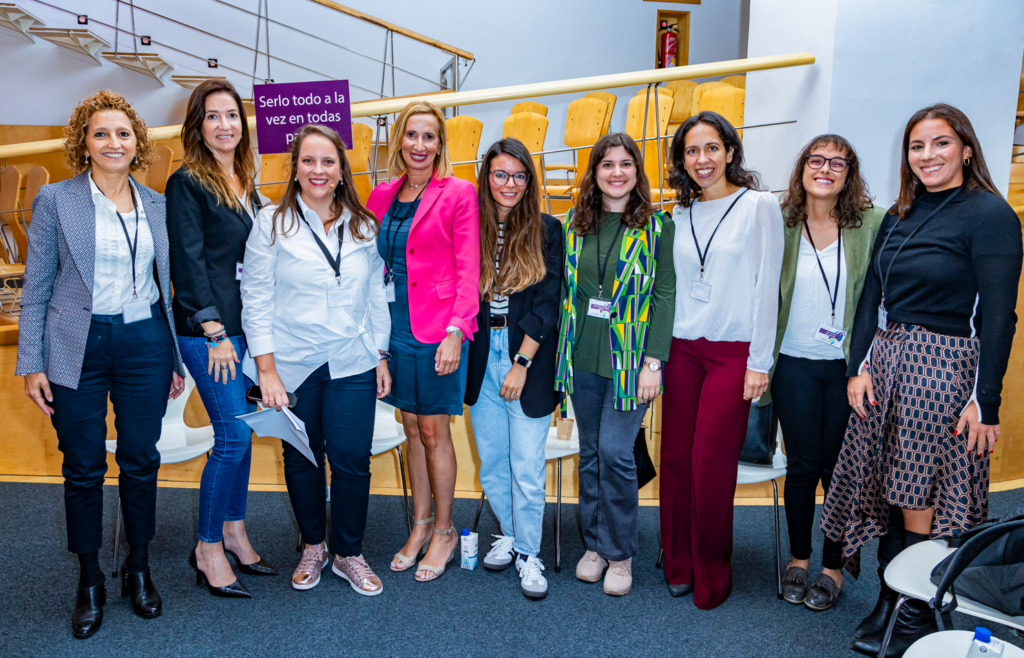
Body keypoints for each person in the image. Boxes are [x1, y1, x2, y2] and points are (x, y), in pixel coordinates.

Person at [822, 104, 1022, 657]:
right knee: (884, 486)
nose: (927, 156)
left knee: (920, 496)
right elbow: (871, 297)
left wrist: (987, 400)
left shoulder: (991, 215)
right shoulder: (901, 213)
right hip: (886, 367)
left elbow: (999, 316)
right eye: (917, 146)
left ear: (965, 149)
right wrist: (858, 367)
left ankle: (915, 608)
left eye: (939, 144)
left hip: (944, 369)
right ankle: (891, 594)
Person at [16, 90, 185, 638]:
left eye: (123, 133)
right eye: (101, 133)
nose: (113, 142)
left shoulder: (158, 204)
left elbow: (169, 288)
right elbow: (36, 286)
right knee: (83, 466)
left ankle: (138, 567)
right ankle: (89, 579)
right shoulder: (56, 200)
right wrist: (32, 362)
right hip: (77, 345)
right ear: (84, 144)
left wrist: (174, 355)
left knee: (141, 459)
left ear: (138, 143)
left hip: (144, 344)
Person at [240, 124, 392, 596]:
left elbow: (375, 296)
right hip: (292, 362)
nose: (318, 170)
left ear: (342, 170)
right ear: (295, 168)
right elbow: (255, 295)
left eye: (328, 161)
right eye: (309, 161)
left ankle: (349, 552)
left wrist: (381, 354)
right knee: (302, 456)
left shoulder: (364, 224)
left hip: (352, 360)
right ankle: (312, 545)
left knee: (351, 461)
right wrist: (265, 368)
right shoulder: (271, 222)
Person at [659, 111, 784, 609]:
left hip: (734, 352)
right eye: (691, 151)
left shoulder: (759, 207)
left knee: (711, 464)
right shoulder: (679, 215)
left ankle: (713, 572)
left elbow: (766, 287)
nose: (702, 159)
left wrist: (760, 361)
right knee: (675, 459)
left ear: (730, 152)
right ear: (682, 161)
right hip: (683, 348)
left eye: (711, 148)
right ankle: (677, 562)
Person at [760, 135, 884, 611]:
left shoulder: (869, 224)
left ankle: (832, 567)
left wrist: (866, 363)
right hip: (791, 362)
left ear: (849, 172)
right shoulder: (782, 222)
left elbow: (878, 297)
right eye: (817, 160)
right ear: (803, 168)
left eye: (838, 162)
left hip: (847, 368)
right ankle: (798, 559)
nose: (826, 169)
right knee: (802, 467)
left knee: (837, 469)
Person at [555, 132, 676, 597]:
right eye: (607, 164)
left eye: (626, 164)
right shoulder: (574, 223)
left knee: (615, 453)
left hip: (631, 358)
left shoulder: (656, 227)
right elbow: (568, 291)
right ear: (595, 172)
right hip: (582, 352)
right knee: (589, 453)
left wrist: (655, 362)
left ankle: (621, 553)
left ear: (637, 171)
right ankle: (595, 546)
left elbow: (664, 295)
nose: (617, 172)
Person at [366, 101, 480, 583]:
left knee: (435, 431)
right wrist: (375, 344)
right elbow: (372, 267)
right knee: (410, 426)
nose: (419, 145)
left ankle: (445, 532)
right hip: (394, 326)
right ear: (399, 142)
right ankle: (419, 524)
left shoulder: (458, 192)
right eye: (411, 135)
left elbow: (468, 267)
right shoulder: (380, 195)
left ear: (440, 145)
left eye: (428, 137)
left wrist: (457, 329)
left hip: (439, 331)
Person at [167, 79, 271, 599]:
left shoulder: (246, 183)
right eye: (213, 116)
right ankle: (207, 546)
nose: (225, 125)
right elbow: (187, 265)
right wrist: (214, 330)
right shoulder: (187, 182)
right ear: (198, 126)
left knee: (245, 433)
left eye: (232, 115)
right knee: (231, 437)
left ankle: (234, 529)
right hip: (212, 335)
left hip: (245, 331)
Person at [464, 138, 563, 599]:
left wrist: (521, 362)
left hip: (527, 353)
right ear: (487, 178)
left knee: (526, 467)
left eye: (520, 176)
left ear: (530, 181)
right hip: (482, 352)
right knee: (493, 465)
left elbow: (548, 304)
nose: (510, 184)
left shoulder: (546, 229)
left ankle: (529, 553)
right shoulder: (471, 225)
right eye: (501, 174)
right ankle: (510, 533)